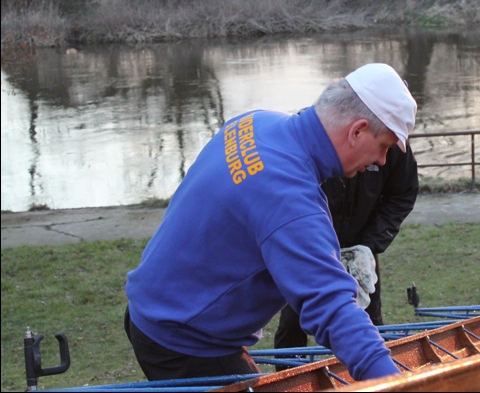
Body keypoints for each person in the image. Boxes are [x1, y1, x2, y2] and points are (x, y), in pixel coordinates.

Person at [124, 63, 417, 382]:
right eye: (384, 146)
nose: (382, 161)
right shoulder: (290, 198)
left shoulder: (255, 122)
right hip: (184, 341)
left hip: (155, 305)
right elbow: (332, 308)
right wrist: (398, 385)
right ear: (357, 131)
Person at [273, 143, 419, 370]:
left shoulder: (394, 144)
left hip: (361, 250)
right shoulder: (317, 137)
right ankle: (288, 380)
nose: (381, 159)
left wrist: (370, 245)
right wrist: (307, 241)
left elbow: (402, 193)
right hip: (310, 249)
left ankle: (373, 377)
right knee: (292, 323)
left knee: (370, 322)